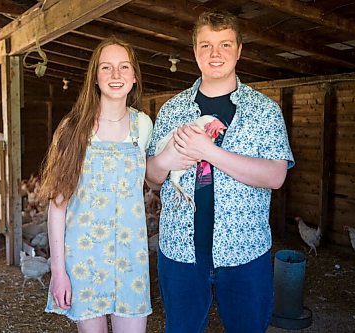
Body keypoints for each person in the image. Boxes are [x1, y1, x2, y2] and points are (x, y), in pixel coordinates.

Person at [146, 11, 295, 333]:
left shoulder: (264, 110)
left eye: (225, 44)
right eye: (206, 45)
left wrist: (208, 152)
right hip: (180, 250)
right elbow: (152, 177)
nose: (215, 54)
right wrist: (163, 162)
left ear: (239, 50)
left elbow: (275, 176)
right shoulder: (172, 109)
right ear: (195, 52)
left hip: (245, 251)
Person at [39, 37, 153, 333]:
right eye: (106, 67)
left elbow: (157, 173)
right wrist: (58, 270)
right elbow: (58, 205)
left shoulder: (143, 126)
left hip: (131, 258)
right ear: (95, 77)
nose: (116, 75)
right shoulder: (73, 128)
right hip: (84, 259)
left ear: (134, 76)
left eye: (123, 67)